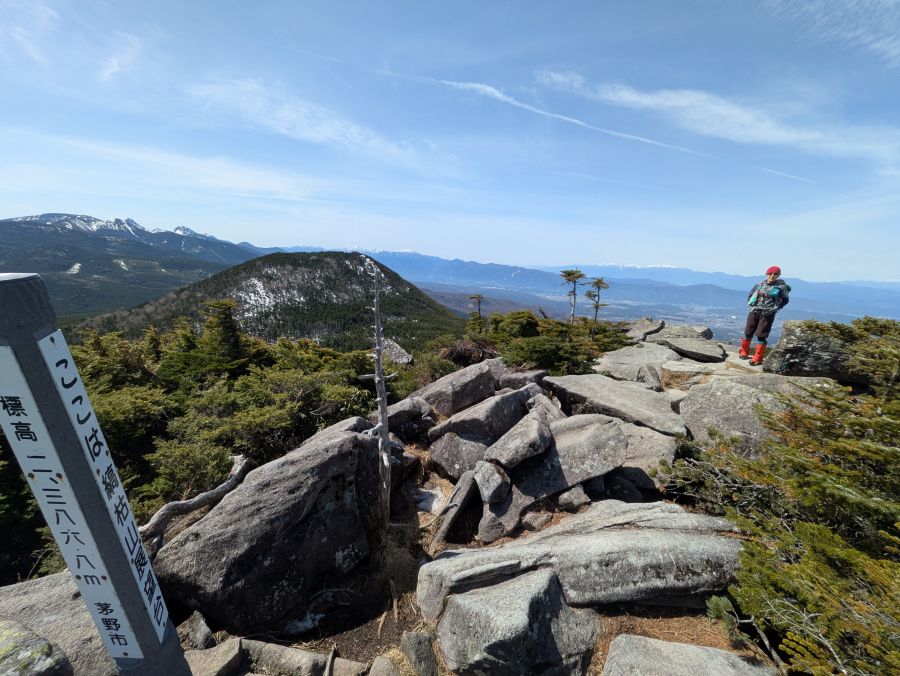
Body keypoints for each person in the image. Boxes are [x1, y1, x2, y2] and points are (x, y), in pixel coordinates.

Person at [740, 266, 791, 365]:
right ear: (766, 274)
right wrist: (751, 306)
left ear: (778, 275)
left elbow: (785, 300)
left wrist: (775, 308)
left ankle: (757, 358)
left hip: (768, 314)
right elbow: (751, 295)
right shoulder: (759, 285)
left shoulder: (781, 287)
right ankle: (744, 352)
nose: (772, 275)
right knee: (748, 332)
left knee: (761, 335)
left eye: (775, 274)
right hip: (754, 311)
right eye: (770, 273)